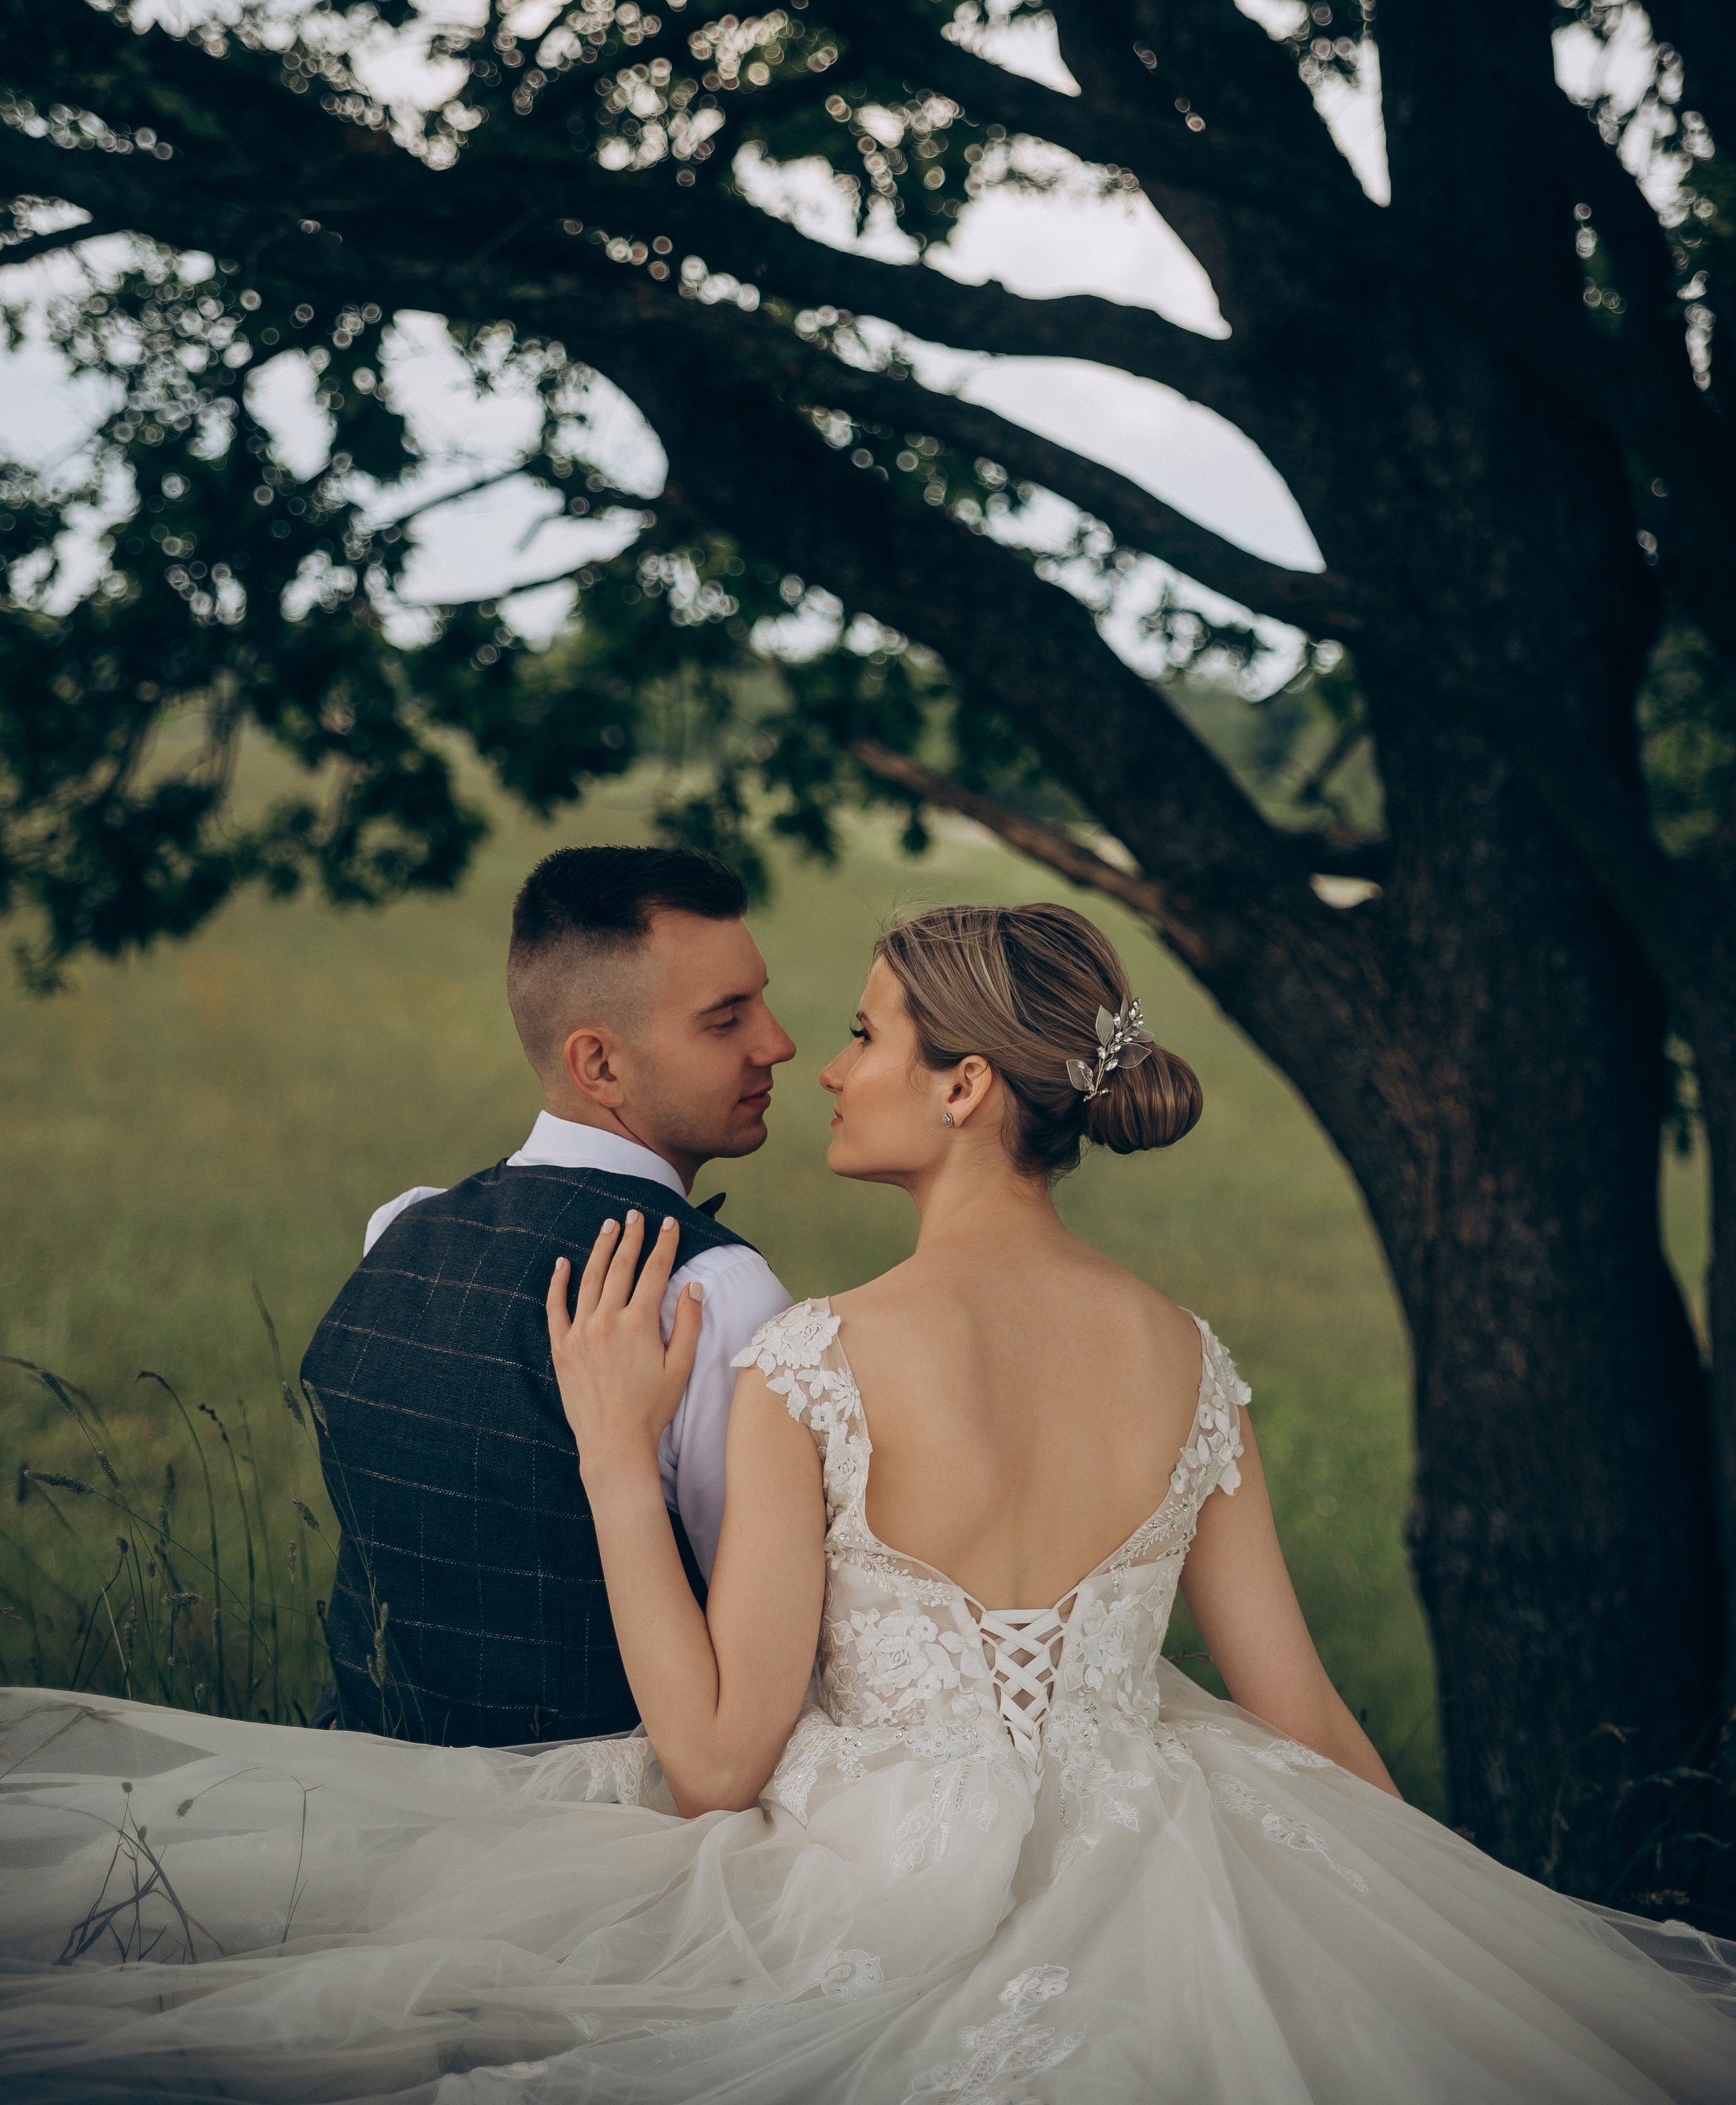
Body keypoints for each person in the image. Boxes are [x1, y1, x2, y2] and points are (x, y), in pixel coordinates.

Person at [1, 901, 1732, 2103]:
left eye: (860, 1034)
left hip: (875, 1881)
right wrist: (1437, 1928)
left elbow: (714, 1763)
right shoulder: (1190, 1360)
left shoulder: (815, 1358)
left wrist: (612, 1455)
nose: (825, 1067)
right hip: (1179, 1861)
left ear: (964, 1085)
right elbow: (1304, 1715)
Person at [299, 843, 794, 1744]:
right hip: (598, 1812)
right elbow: (755, 1668)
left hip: (355, 1784)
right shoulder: (715, 1293)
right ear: (598, 1064)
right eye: (726, 1020)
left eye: (760, 999)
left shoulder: (400, 1230)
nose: (778, 1043)